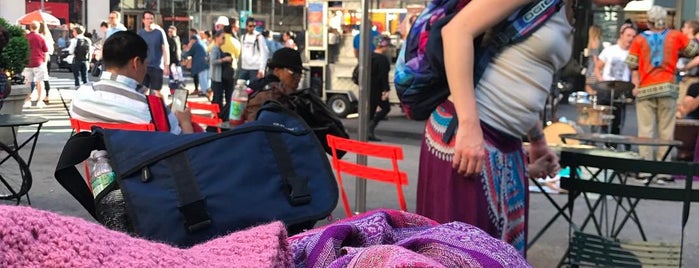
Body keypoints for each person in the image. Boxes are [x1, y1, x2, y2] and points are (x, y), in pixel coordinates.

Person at [415, 0, 574, 255]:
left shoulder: (568, 7)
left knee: (499, 255)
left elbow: (522, 72)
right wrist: (468, 125)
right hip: (468, 134)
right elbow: (456, 31)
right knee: (462, 255)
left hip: (505, 143)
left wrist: (537, 139)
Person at [69, 31, 193, 135]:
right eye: (146, 62)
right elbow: (186, 154)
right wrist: (185, 122)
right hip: (141, 163)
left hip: (95, 162)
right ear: (136, 63)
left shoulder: (81, 95)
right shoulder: (151, 110)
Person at [626, 6, 699, 165]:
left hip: (645, 89)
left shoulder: (639, 39)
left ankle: (646, 168)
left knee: (645, 130)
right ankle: (662, 170)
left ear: (649, 22)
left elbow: (631, 63)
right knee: (666, 131)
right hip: (668, 88)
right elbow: (694, 50)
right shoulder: (675, 36)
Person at [592, 24, 637, 136]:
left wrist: (636, 87)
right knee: (601, 119)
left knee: (617, 121)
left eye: (633, 36)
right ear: (621, 35)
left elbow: (635, 72)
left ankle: (612, 145)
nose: (630, 39)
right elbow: (597, 67)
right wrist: (601, 81)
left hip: (621, 90)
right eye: (628, 35)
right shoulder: (610, 50)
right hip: (606, 88)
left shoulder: (633, 53)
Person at [245, 47, 307, 122]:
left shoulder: (256, 84)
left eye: (300, 73)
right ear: (276, 70)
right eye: (293, 72)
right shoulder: (273, 92)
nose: (298, 77)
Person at [137, 11, 170, 98]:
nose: (150, 20)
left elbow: (165, 49)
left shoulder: (159, 32)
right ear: (143, 20)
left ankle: (163, 109)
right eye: (147, 19)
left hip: (156, 67)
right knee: (143, 91)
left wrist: (166, 65)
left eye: (151, 18)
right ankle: (146, 110)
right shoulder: (140, 33)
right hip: (144, 67)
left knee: (157, 92)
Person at [367, 36, 392, 141]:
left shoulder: (369, 56)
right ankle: (370, 127)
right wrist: (385, 90)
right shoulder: (383, 59)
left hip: (368, 87)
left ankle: (368, 132)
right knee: (386, 108)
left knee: (371, 110)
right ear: (384, 46)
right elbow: (383, 76)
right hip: (378, 89)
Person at [22, 21, 48, 109]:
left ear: (30, 27)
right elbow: (45, 50)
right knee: (39, 82)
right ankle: (39, 101)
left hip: (28, 62)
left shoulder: (26, 37)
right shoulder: (41, 37)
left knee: (27, 82)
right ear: (38, 27)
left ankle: (27, 101)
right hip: (39, 62)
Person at [209, 31, 234, 114]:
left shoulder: (218, 49)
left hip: (219, 77)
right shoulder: (215, 49)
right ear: (216, 38)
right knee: (217, 97)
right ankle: (217, 115)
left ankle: (218, 114)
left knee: (218, 97)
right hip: (216, 77)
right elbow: (213, 61)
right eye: (222, 38)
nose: (224, 40)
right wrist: (224, 59)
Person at [676, 20, 699, 108]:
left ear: (690, 29)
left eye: (684, 27)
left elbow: (697, 59)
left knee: (681, 106)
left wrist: (685, 68)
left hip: (690, 79)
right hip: (684, 78)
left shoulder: (694, 44)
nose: (682, 29)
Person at [239, 18, 269, 84]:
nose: (252, 28)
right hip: (244, 67)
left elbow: (265, 53)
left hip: (255, 68)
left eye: (254, 26)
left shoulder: (259, 37)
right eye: (250, 26)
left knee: (253, 89)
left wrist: (261, 69)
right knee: (239, 86)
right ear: (246, 26)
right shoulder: (243, 37)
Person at [182, 28, 210, 98]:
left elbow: (189, 53)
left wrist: (183, 54)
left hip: (200, 64)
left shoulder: (196, 45)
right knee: (207, 78)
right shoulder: (202, 43)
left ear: (193, 40)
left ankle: (204, 92)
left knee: (202, 78)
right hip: (206, 63)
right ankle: (208, 91)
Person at [38, 22, 54, 105]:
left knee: (38, 78)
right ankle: (47, 95)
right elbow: (51, 49)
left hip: (41, 57)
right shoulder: (48, 36)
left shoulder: (40, 36)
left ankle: (39, 95)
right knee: (46, 77)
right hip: (48, 58)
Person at [584, 25, 602, 98]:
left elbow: (594, 56)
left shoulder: (592, 42)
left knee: (589, 85)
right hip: (594, 67)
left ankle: (591, 100)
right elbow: (595, 56)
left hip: (591, 67)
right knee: (592, 85)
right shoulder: (597, 41)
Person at [167, 25, 184, 90]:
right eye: (169, 32)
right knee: (178, 74)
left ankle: (174, 89)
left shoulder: (171, 40)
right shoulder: (178, 38)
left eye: (171, 32)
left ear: (175, 31)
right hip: (178, 59)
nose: (169, 33)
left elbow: (172, 50)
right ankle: (179, 86)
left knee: (174, 75)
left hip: (173, 60)